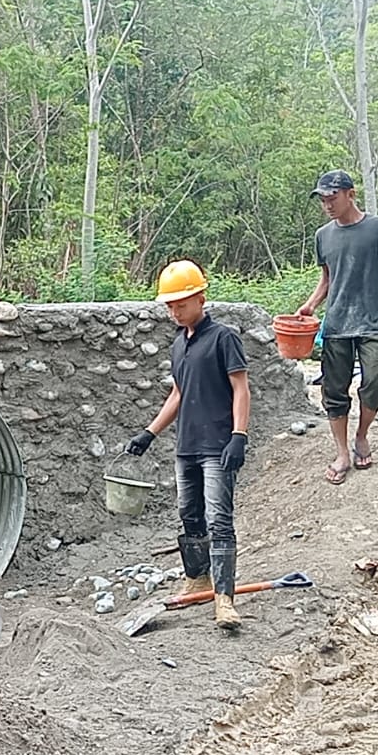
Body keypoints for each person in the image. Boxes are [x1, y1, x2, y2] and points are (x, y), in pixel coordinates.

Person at [126, 261, 251, 629]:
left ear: (200, 297)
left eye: (180, 303)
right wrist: (149, 433)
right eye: (169, 305)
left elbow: (241, 388)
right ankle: (198, 577)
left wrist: (238, 435)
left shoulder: (223, 338)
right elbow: (178, 393)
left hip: (218, 444)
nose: (174, 311)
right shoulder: (179, 344)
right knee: (190, 515)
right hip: (188, 445)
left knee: (219, 519)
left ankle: (225, 599)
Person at [296, 170, 378, 485]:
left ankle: (362, 434)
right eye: (323, 199)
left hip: (375, 321)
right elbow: (327, 278)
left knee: (376, 383)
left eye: (333, 197)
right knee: (334, 390)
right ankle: (341, 451)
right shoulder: (323, 236)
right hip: (337, 323)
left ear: (351, 194)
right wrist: (311, 305)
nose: (327, 205)